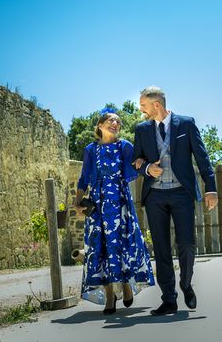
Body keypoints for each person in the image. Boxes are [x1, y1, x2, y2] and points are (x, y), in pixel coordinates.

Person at [133, 86, 218, 316]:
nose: (141, 109)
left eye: (143, 105)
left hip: (182, 193)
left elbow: (202, 157)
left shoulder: (186, 124)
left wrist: (211, 189)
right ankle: (168, 299)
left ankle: (186, 284)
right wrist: (148, 168)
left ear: (156, 105)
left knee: (187, 243)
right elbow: (136, 161)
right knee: (161, 248)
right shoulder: (141, 129)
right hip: (155, 197)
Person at [75, 108, 155, 315]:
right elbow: (84, 178)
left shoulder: (125, 147)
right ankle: (109, 295)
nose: (115, 123)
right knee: (99, 248)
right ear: (100, 125)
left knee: (123, 244)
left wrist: (148, 165)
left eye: (118, 122)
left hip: (120, 204)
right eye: (110, 120)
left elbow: (139, 163)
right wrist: (78, 201)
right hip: (97, 205)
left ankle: (127, 285)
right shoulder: (91, 150)